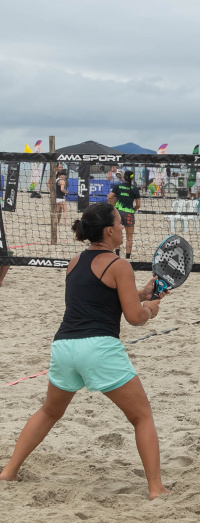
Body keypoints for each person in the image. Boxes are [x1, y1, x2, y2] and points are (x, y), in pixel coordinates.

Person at [0, 203, 168, 499]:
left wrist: (140, 293)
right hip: (98, 348)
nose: (123, 226)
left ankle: (9, 471)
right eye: (119, 222)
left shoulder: (74, 261)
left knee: (49, 411)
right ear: (109, 231)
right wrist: (150, 309)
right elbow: (133, 318)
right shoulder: (119, 265)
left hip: (64, 346)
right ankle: (156, 489)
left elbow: (96, 297)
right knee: (142, 417)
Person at [107, 170, 141, 259]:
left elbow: (109, 197)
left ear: (124, 177)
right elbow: (138, 205)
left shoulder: (118, 186)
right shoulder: (135, 189)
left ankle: (117, 254)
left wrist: (113, 206)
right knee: (129, 237)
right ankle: (128, 257)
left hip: (118, 213)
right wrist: (133, 209)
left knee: (118, 234)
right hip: (129, 213)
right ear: (132, 178)